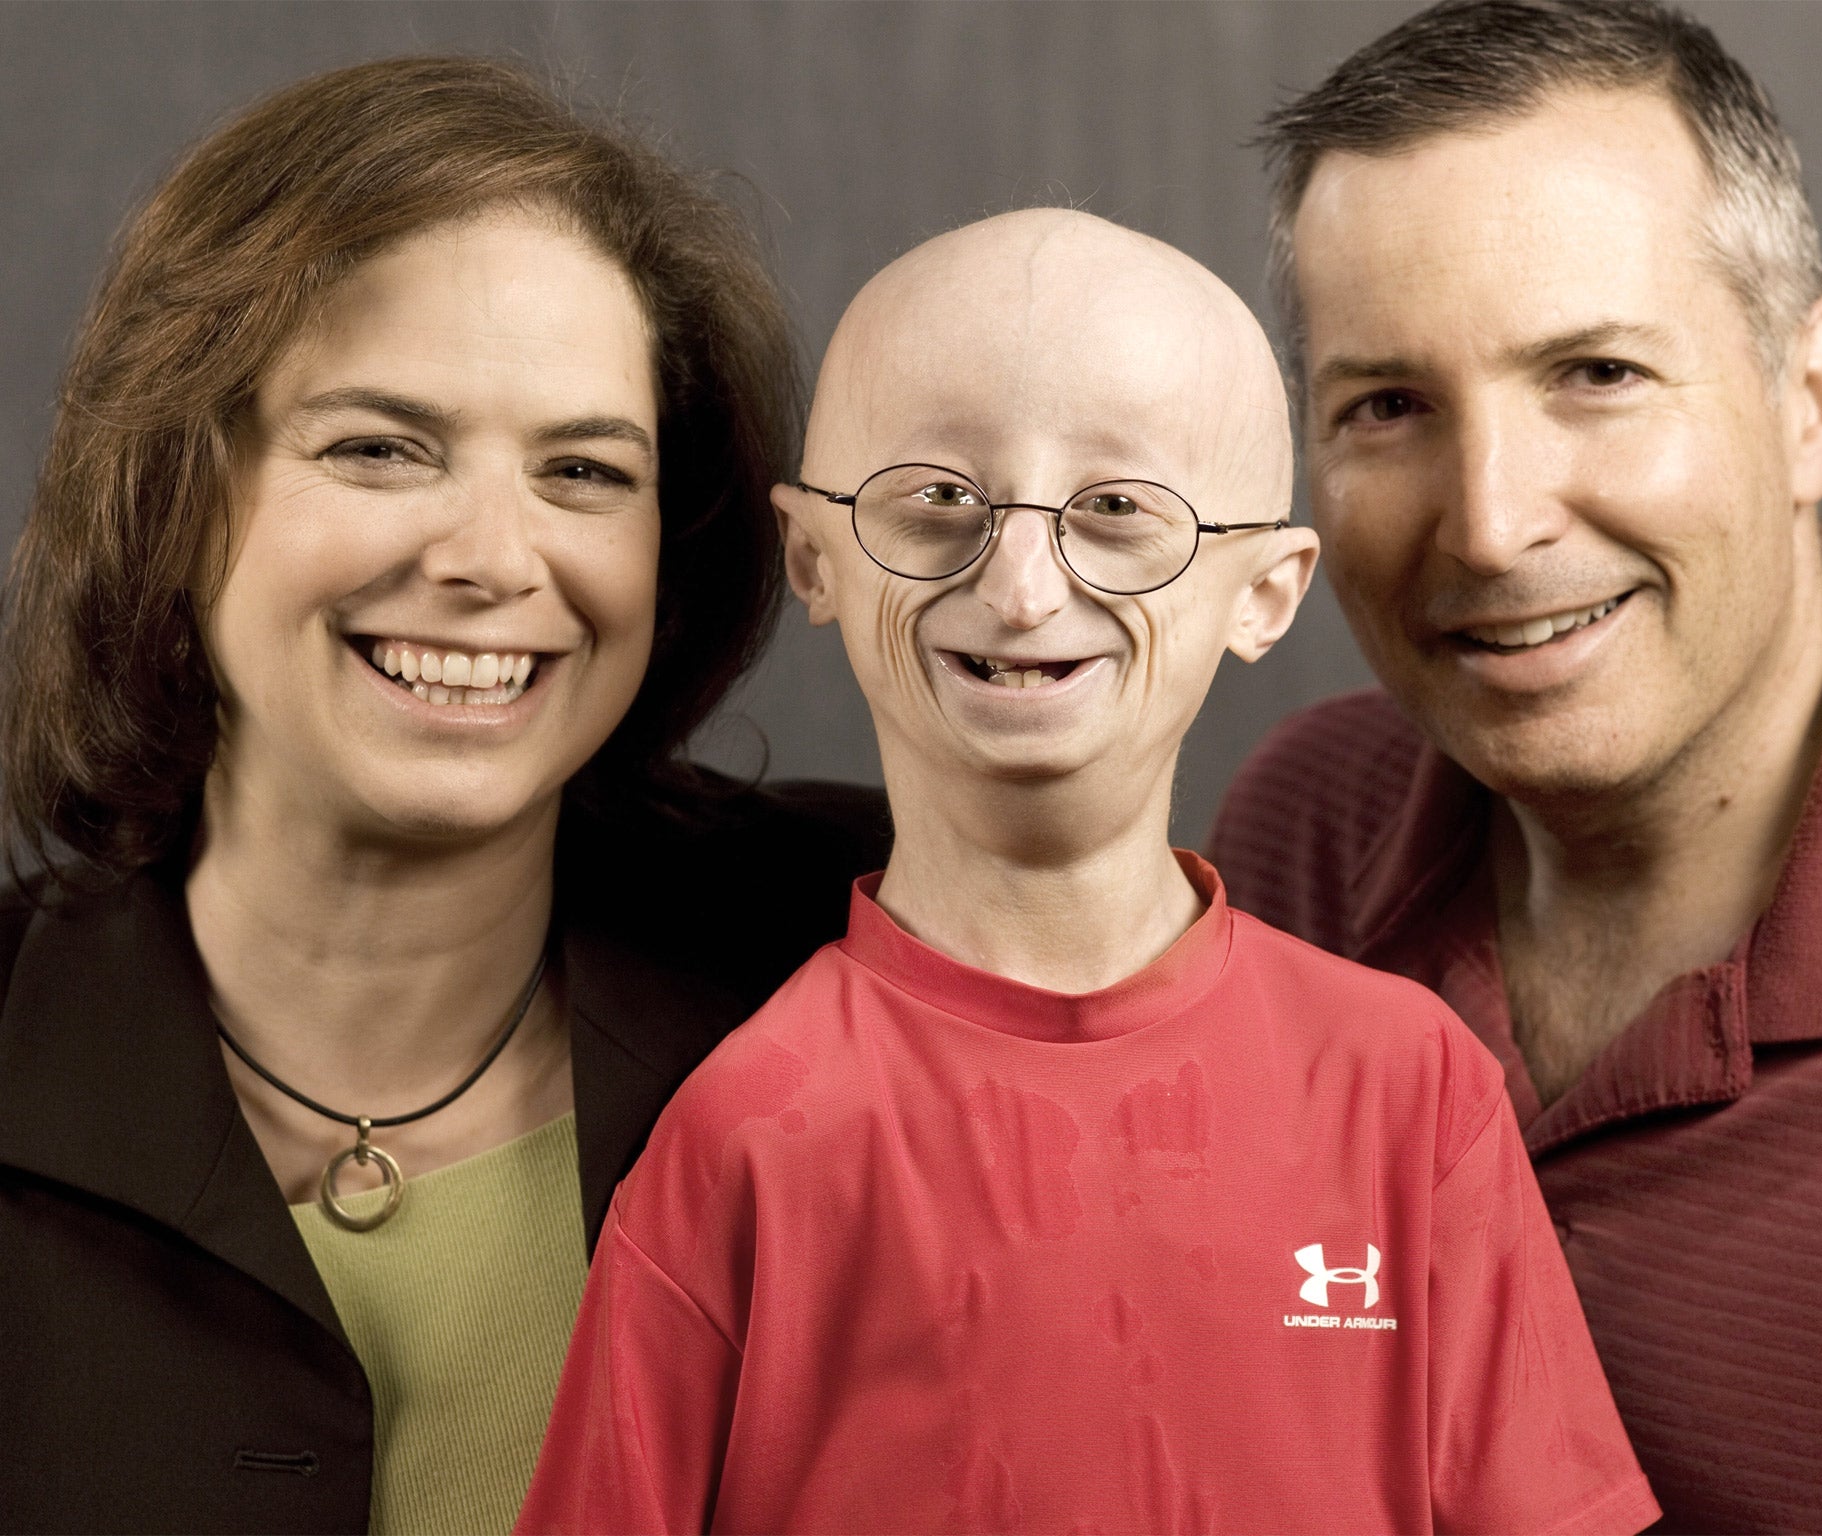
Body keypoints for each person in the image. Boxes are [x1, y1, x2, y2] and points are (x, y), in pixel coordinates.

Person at [516, 208, 1659, 1536]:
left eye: (1118, 511)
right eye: (939, 502)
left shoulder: (1406, 1091)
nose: (1019, 586)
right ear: (813, 558)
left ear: (1265, 592)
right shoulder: (743, 1137)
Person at [0, 57, 887, 1536]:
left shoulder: (861, 949)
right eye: (378, 448)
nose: (490, 558)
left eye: (585, 472)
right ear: (176, 486)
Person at [1209, 1, 1822, 1530]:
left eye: (1594, 373)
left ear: (1812, 400)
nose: (1490, 522)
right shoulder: (1290, 846)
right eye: (1388, 406)